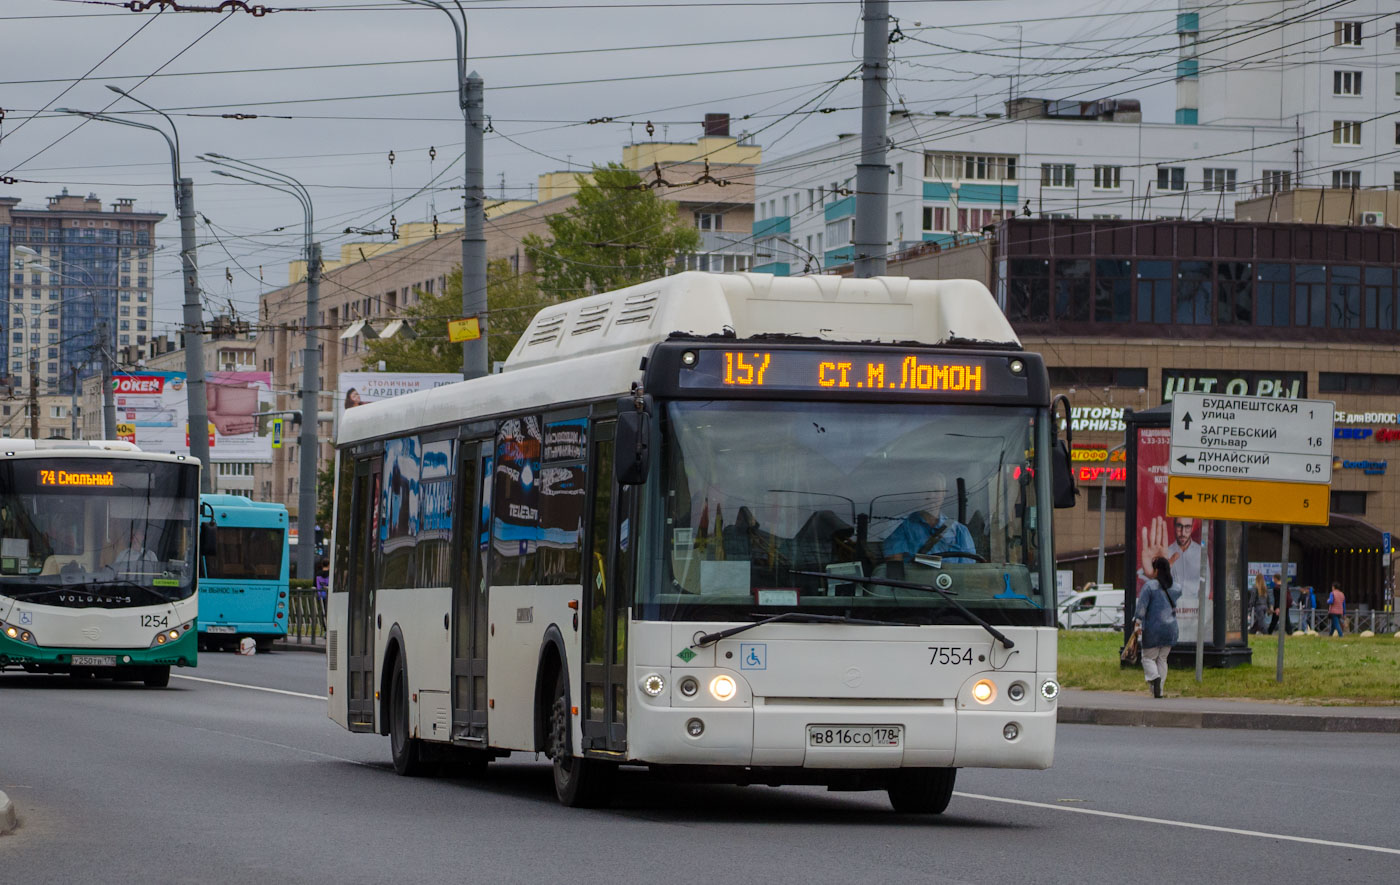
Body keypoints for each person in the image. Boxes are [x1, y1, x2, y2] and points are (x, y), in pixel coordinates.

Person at [882, 472, 977, 564]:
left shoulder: (960, 531)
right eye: (926, 491)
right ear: (917, 494)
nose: (931, 496)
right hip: (913, 580)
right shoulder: (900, 527)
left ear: (943, 494)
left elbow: (967, 571)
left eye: (936, 491)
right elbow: (894, 568)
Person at [1134, 555, 1180, 699]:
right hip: (1171, 629)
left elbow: (1142, 607)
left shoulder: (1149, 587)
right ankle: (1159, 689)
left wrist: (1137, 623)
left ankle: (1154, 678)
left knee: (1148, 658)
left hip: (1153, 629)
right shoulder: (1176, 588)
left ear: (1157, 571)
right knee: (1162, 659)